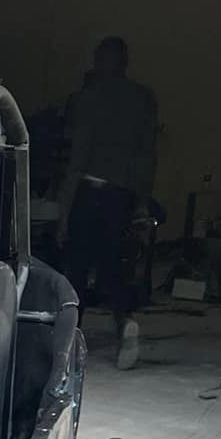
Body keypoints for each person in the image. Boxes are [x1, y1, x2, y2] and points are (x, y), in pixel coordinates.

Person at [60, 36, 157, 370]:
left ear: (101, 62)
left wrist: (63, 211)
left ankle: (69, 340)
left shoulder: (89, 99)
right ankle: (124, 322)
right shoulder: (142, 100)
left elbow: (77, 158)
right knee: (116, 267)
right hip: (123, 195)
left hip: (90, 192)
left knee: (76, 266)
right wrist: (142, 202)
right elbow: (147, 156)